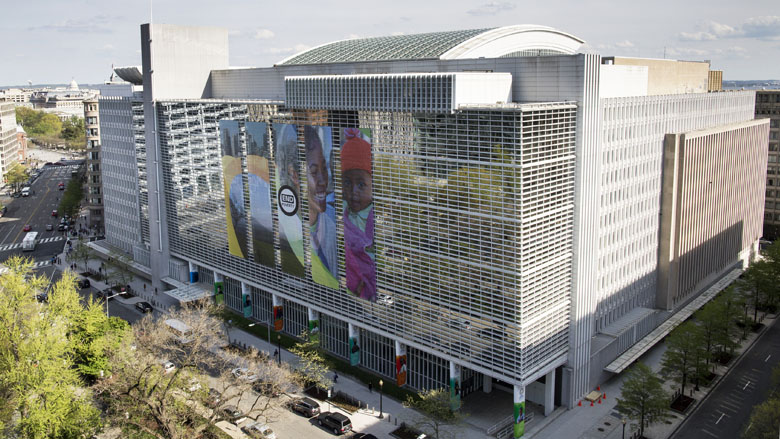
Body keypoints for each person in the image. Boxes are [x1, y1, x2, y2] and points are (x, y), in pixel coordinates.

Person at [341, 128, 377, 301]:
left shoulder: (373, 215)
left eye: (361, 185)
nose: (353, 191)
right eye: (347, 182)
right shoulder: (345, 211)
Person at [305, 126, 338, 288]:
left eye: (324, 169)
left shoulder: (331, 227)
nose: (323, 181)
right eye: (313, 172)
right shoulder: (291, 230)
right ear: (295, 175)